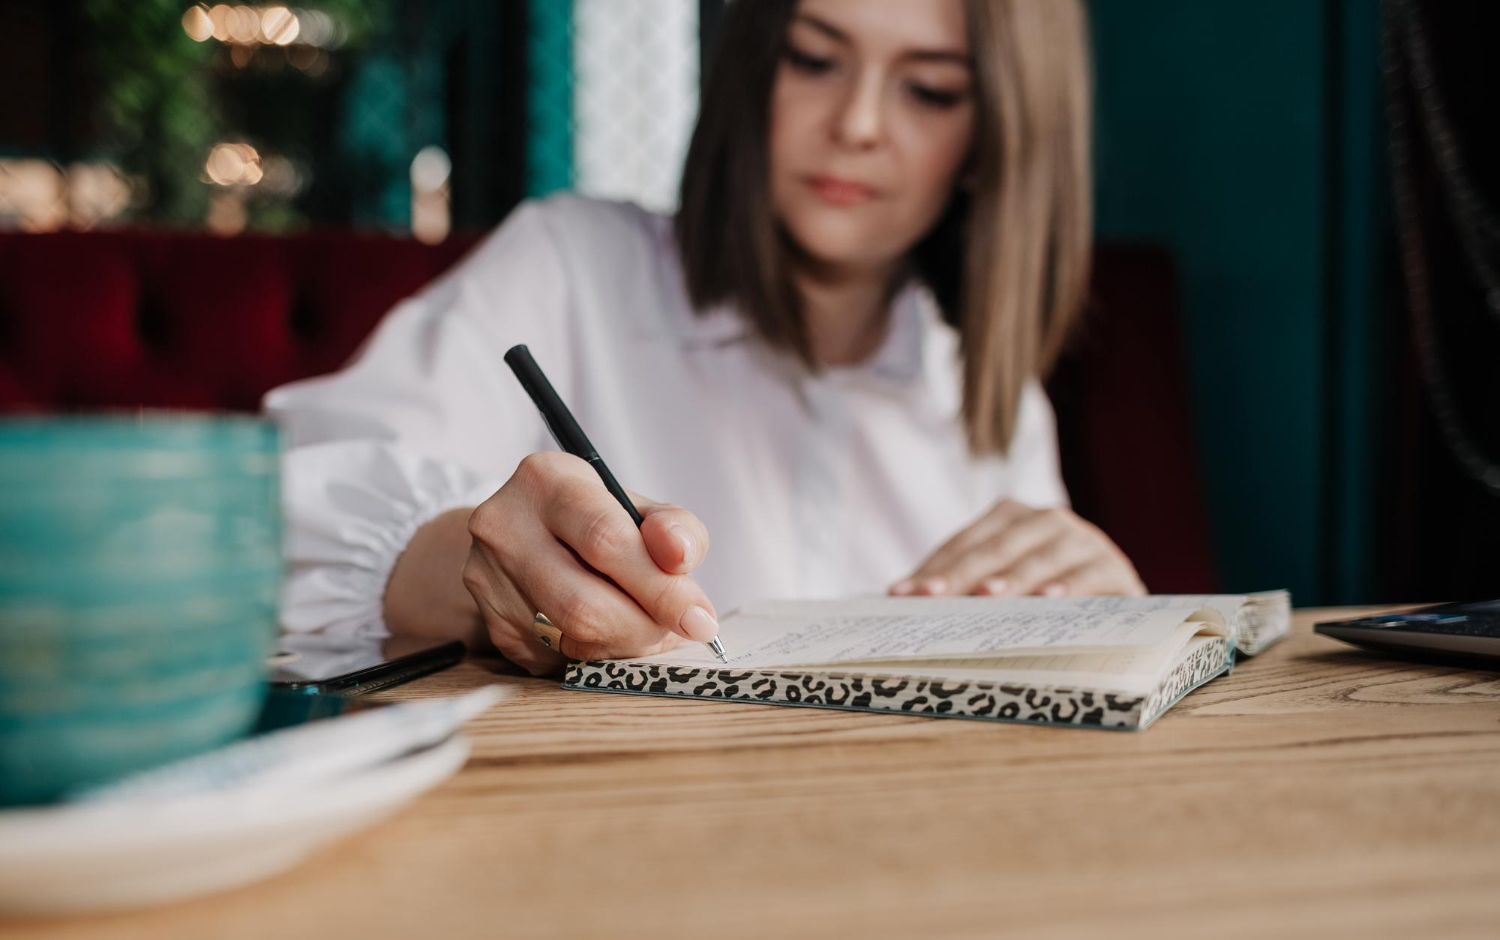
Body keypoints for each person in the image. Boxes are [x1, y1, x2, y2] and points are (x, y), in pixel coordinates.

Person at [266, 0, 1145, 677]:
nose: (858, 124)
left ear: (993, 133)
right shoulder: (572, 265)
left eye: (929, 88)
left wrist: (1104, 622)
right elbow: (279, 507)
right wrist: (475, 563)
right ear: (751, 66)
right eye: (814, 59)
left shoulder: (990, 398)